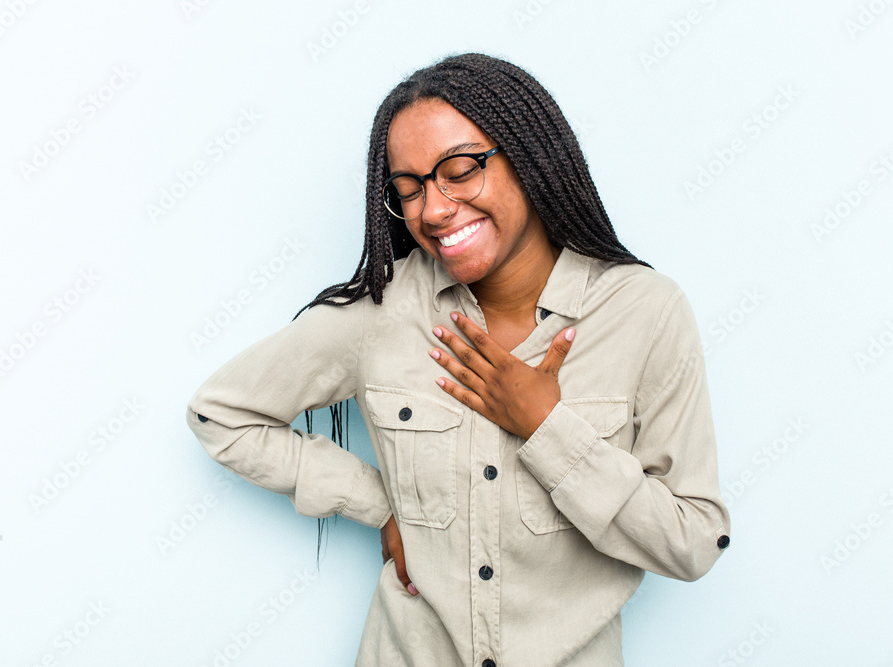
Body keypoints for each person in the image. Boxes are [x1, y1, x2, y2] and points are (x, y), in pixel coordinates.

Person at [186, 51, 731, 667]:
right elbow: (219, 413)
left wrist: (547, 429)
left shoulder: (645, 311)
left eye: (460, 170)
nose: (434, 209)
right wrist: (377, 505)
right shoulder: (382, 312)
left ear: (531, 157)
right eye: (409, 188)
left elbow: (695, 541)